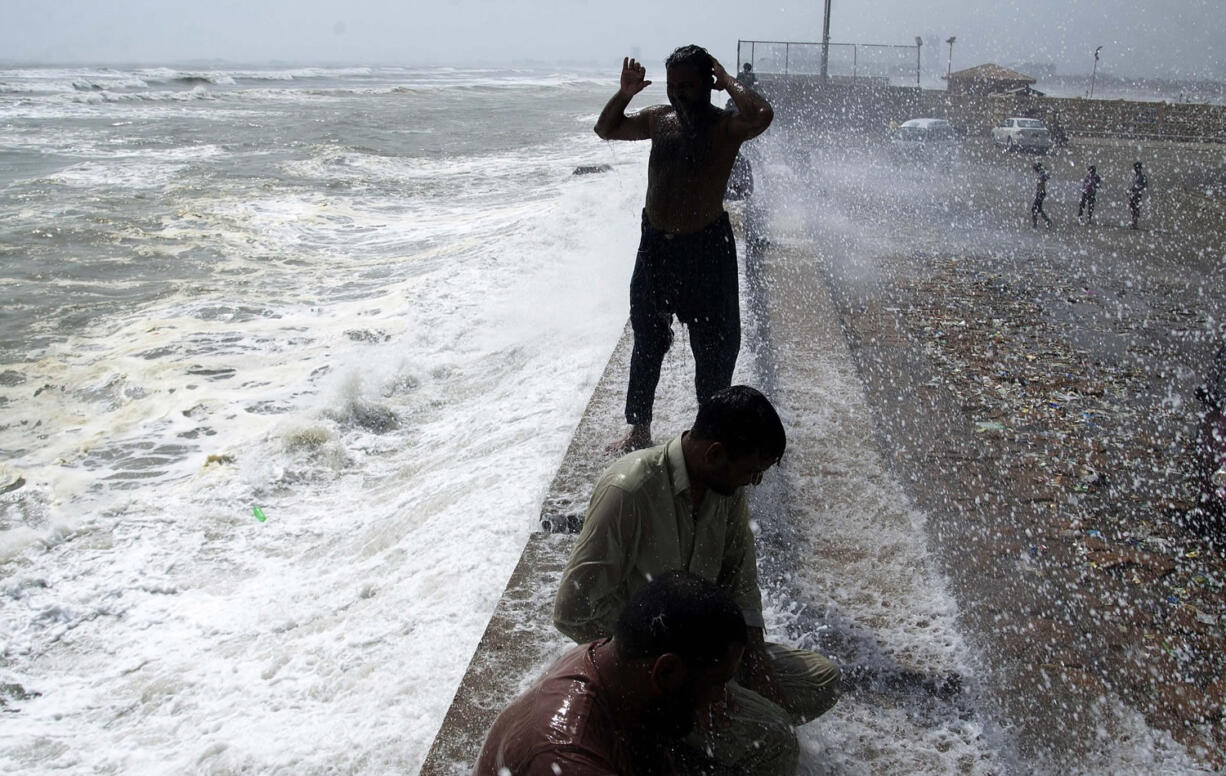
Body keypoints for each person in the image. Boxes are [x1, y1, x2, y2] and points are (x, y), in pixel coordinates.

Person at [554, 386, 841, 776]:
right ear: (714, 454)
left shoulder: (725, 487)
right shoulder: (630, 490)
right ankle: (662, 740)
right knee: (775, 738)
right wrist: (679, 684)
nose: (755, 482)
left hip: (708, 655)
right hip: (651, 672)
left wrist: (754, 664)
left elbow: (741, 579)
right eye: (752, 471)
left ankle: (691, 748)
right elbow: (572, 611)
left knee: (822, 680)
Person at [594, 45, 774, 453]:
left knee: (714, 347)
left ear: (708, 83)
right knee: (647, 339)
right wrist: (625, 94)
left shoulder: (725, 126)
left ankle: (707, 433)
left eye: (688, 86)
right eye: (673, 85)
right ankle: (639, 428)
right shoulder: (661, 120)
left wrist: (729, 80)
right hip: (656, 246)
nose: (678, 94)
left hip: (707, 248)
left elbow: (761, 116)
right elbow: (606, 130)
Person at [475, 571, 747, 776]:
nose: (720, 697)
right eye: (717, 683)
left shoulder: (613, 664)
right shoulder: (566, 757)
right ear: (666, 672)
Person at [1031, 162, 1052, 228]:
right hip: (1040, 193)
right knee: (1039, 209)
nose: (1034, 170)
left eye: (1035, 168)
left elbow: (1046, 177)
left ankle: (1035, 225)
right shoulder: (1041, 173)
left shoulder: (1042, 173)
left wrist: (1044, 171)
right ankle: (1048, 221)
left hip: (1041, 193)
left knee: (1034, 208)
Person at [1128, 161, 1148, 229]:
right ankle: (1134, 223)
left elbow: (1144, 185)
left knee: (1135, 209)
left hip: (1136, 194)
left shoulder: (1141, 176)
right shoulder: (1137, 176)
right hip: (1134, 194)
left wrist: (1136, 189)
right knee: (1133, 208)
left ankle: (1134, 223)